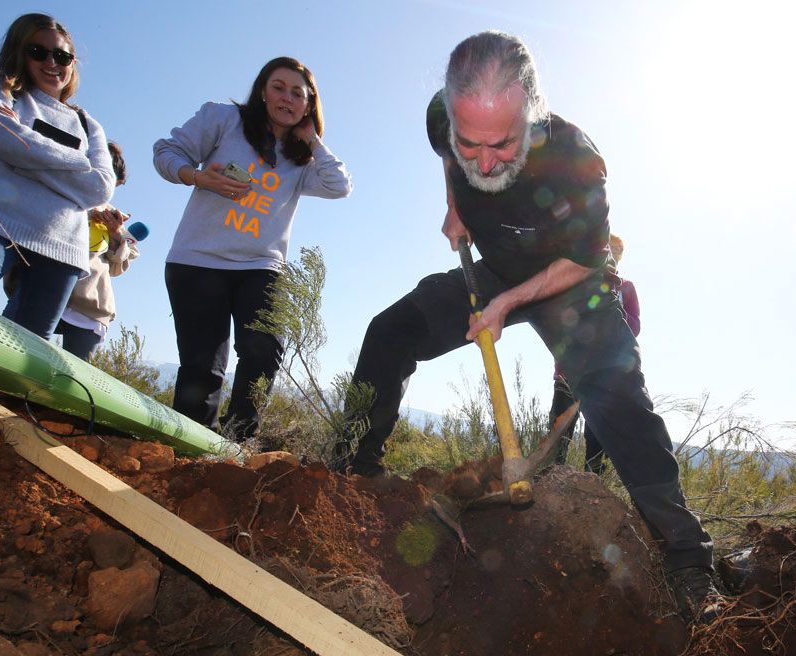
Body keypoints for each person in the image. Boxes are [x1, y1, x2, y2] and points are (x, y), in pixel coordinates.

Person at [335, 31, 721, 624]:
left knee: (619, 407)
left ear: (534, 116)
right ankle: (351, 472)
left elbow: (588, 259)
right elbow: (449, 154)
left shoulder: (577, 160)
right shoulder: (445, 122)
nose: (484, 161)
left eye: (502, 144)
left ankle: (690, 559)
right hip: (499, 269)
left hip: (572, 283)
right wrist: (457, 202)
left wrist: (510, 301)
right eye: (471, 144)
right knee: (390, 333)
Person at [153, 57, 352, 440]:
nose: (287, 98)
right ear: (262, 91)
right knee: (202, 367)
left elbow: (339, 185)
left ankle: (236, 445)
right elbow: (166, 151)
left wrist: (311, 139)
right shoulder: (224, 120)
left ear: (309, 105)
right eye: (278, 87)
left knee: (264, 349)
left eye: (299, 93)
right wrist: (198, 177)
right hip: (198, 261)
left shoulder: (301, 158)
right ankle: (190, 449)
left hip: (261, 266)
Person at [0, 13, 115, 339]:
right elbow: (0, 137)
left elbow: (101, 187)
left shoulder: (89, 125)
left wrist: (19, 158)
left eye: (62, 56)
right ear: (20, 51)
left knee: (24, 355)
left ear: (73, 63)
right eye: (38, 52)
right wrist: (76, 162)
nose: (52, 63)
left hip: (61, 247)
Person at [548, 233, 640, 474]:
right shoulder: (575, 282)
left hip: (606, 374)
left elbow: (635, 326)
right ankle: (550, 479)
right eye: (609, 247)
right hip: (570, 371)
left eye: (618, 250)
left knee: (599, 431)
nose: (614, 253)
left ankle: (594, 484)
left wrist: (612, 307)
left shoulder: (626, 288)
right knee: (560, 428)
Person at [53, 141, 137, 360]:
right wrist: (84, 216)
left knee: (73, 372)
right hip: (43, 287)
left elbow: (120, 264)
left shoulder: (111, 214)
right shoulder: (58, 194)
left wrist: (117, 232)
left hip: (89, 304)